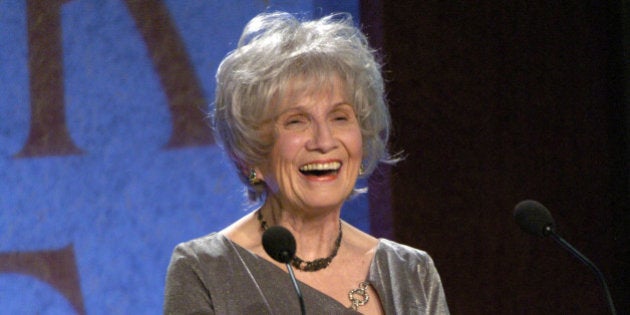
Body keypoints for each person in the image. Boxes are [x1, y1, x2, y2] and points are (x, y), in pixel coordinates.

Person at [164, 11, 449, 314]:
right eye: (296, 121)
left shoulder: (411, 272)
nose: (324, 141)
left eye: (340, 117)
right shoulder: (205, 271)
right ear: (252, 151)